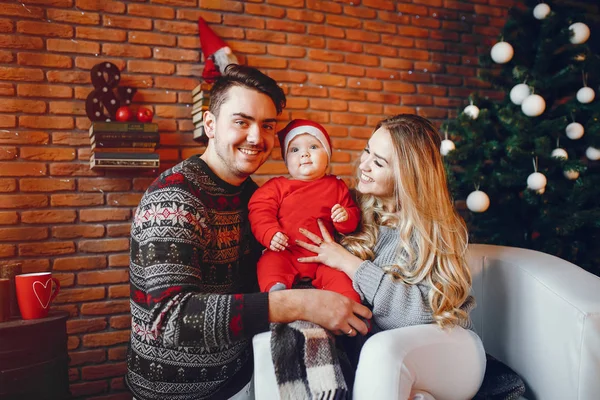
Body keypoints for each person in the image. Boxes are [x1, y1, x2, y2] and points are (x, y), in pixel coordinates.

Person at [125, 64, 372, 400]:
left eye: (267, 126)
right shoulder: (175, 199)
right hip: (181, 392)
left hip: (247, 373)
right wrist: (299, 304)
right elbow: (169, 320)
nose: (256, 138)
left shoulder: (252, 195)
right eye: (241, 122)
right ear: (210, 125)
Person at [296, 114, 486, 399]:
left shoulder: (434, 231)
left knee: (381, 349)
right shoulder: (352, 211)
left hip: (446, 348)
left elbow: (422, 316)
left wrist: (350, 264)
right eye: (367, 151)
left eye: (379, 162)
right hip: (384, 364)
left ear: (408, 176)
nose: (364, 164)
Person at [248, 119, 361, 302]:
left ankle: (349, 302)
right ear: (286, 161)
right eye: (295, 150)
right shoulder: (276, 187)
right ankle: (277, 291)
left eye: (314, 147)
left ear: (328, 156)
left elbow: (351, 217)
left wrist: (344, 217)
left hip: (324, 256)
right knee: (268, 263)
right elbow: (259, 211)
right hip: (286, 251)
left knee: (342, 278)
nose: (305, 154)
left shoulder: (336, 186)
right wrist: (269, 233)